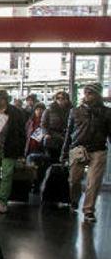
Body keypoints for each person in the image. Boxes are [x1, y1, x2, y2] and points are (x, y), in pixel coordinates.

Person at [62, 83, 111, 223]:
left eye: (91, 93)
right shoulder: (75, 111)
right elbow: (69, 133)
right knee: (73, 180)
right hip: (78, 148)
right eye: (86, 93)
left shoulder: (107, 112)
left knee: (94, 182)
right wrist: (64, 153)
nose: (87, 95)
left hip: (98, 150)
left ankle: (89, 210)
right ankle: (74, 200)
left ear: (98, 95)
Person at [0, 90, 27, 214]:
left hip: (10, 148)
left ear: (3, 100)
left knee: (7, 174)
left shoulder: (16, 113)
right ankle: (0, 193)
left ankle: (3, 201)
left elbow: (21, 134)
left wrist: (21, 153)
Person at [42, 91, 71, 163]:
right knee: (52, 160)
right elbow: (43, 124)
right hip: (52, 138)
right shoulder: (49, 110)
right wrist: (46, 134)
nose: (60, 100)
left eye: (63, 98)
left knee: (65, 160)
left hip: (67, 138)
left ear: (67, 99)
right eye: (58, 98)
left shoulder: (71, 110)